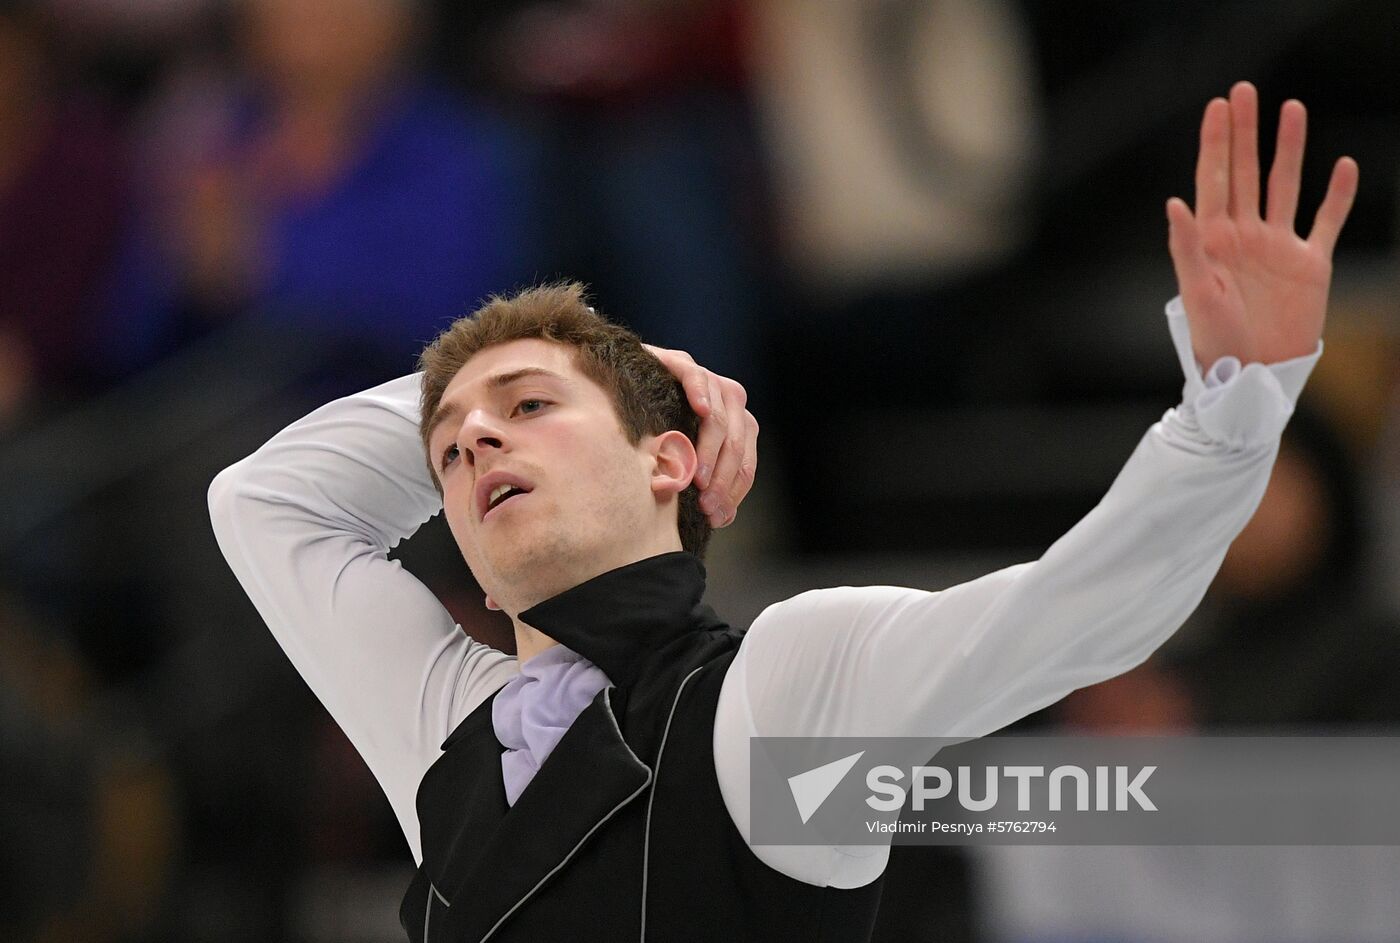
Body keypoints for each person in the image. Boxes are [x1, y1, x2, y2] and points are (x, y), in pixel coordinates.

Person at [208, 82, 1357, 940]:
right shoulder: (437, 716)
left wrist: (1231, 411)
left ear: (667, 459)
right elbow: (265, 502)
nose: (471, 441)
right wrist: (614, 359)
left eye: (524, 407)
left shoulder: (779, 687)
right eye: (448, 442)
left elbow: (1072, 615)